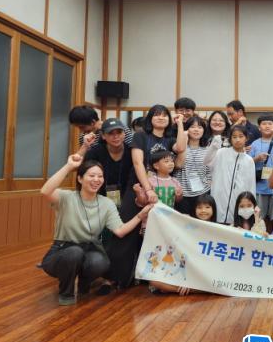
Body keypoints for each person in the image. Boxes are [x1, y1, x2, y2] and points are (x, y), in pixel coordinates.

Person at [40, 154, 152, 305]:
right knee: (74, 252)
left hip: (89, 249)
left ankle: (84, 284)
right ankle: (66, 293)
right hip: (62, 250)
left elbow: (120, 231)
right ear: (80, 179)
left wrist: (140, 215)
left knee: (100, 262)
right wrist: (69, 166)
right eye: (91, 175)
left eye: (100, 176)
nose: (96, 179)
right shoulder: (67, 197)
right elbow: (45, 191)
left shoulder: (106, 203)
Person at [104, 104, 186, 289]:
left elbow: (180, 148)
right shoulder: (141, 136)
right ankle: (116, 276)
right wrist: (148, 190)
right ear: (150, 118)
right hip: (138, 187)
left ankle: (151, 276)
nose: (161, 118)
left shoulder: (170, 138)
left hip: (163, 190)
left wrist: (180, 123)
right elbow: (137, 163)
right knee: (128, 230)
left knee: (157, 233)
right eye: (156, 115)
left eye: (164, 115)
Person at [148, 194, 215, 296]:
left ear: (213, 209)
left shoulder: (219, 229)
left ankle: (192, 288)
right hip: (187, 268)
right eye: (199, 207)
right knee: (154, 281)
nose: (203, 210)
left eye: (207, 207)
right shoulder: (188, 224)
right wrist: (187, 280)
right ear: (194, 209)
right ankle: (189, 288)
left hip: (206, 272)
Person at [205, 125, 256, 225]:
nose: (238, 140)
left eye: (241, 136)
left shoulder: (249, 160)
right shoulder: (221, 153)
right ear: (230, 139)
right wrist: (214, 146)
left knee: (234, 225)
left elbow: (251, 185)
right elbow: (207, 161)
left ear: (246, 138)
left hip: (238, 201)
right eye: (234, 137)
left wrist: (250, 205)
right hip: (219, 198)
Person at [249, 115, 273, 226]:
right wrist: (257, 158)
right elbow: (247, 163)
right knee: (259, 218)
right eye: (264, 124)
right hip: (259, 188)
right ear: (259, 128)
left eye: (270, 124)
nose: (267, 126)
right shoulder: (254, 144)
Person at [83, 118, 133, 208]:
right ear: (103, 136)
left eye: (119, 132)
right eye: (110, 133)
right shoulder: (94, 153)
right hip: (98, 198)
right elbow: (86, 176)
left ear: (124, 134)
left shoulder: (132, 152)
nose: (116, 136)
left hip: (128, 199)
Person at [174, 116, 211, 215]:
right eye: (192, 127)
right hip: (182, 194)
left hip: (203, 193)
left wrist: (209, 184)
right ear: (187, 129)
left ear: (204, 131)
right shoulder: (179, 146)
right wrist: (184, 139)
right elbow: (178, 165)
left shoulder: (207, 149)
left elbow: (209, 170)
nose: (196, 130)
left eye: (200, 127)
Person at [69, 105, 133, 155]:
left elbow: (132, 148)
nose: (81, 130)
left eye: (82, 127)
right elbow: (84, 158)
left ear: (92, 122)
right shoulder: (84, 137)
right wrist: (85, 145)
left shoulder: (118, 128)